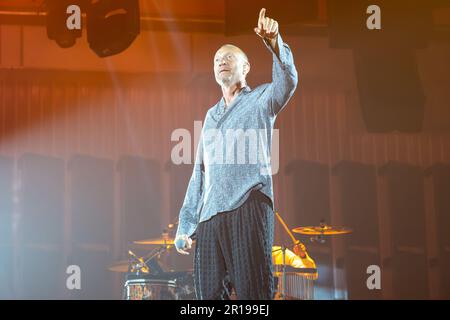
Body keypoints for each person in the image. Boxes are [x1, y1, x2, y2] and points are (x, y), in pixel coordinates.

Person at [174, 8, 298, 300]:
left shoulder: (259, 100)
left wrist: (275, 42)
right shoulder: (210, 116)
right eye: (217, 60)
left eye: (229, 58)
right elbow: (200, 173)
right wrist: (185, 224)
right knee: (207, 296)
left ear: (246, 67)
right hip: (210, 218)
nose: (221, 62)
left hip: (248, 204)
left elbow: (288, 82)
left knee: (254, 292)